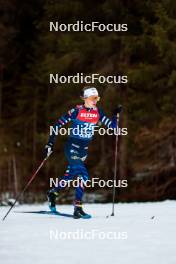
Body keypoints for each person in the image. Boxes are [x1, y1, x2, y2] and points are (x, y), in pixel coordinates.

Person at [44, 86, 122, 218]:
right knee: (83, 175)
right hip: (72, 147)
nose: (95, 101)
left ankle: (53, 192)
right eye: (92, 98)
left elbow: (113, 128)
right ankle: (77, 207)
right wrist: (50, 143)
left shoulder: (98, 112)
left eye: (97, 98)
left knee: (70, 175)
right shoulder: (76, 111)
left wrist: (115, 115)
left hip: (83, 151)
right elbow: (57, 125)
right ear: (85, 98)